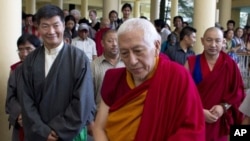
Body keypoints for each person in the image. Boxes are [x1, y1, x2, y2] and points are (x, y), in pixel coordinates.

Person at [93, 18, 205, 141]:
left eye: (138, 51)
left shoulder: (177, 77)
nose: (132, 61)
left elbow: (192, 131)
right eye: (124, 53)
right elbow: (99, 128)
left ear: (156, 46)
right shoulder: (114, 79)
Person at [20, 5, 96, 141]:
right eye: (45, 26)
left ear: (63, 26)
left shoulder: (79, 58)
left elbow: (83, 100)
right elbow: (26, 99)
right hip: (38, 134)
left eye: (56, 25)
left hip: (68, 134)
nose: (51, 31)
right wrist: (43, 131)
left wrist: (57, 129)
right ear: (38, 28)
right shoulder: (30, 60)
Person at [185, 27, 245, 141]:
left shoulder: (230, 64)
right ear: (202, 41)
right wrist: (199, 111)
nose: (213, 45)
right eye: (209, 40)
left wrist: (223, 107)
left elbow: (238, 92)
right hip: (195, 118)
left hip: (220, 122)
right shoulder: (191, 63)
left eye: (217, 40)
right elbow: (181, 94)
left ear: (223, 42)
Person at [5, 33, 41, 141]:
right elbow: (10, 98)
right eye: (20, 49)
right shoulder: (16, 71)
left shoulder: (47, 70)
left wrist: (31, 117)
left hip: (41, 123)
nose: (24, 53)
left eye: (28, 49)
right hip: (20, 122)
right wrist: (20, 114)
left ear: (38, 50)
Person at [91, 29, 124, 108]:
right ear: (102, 43)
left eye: (117, 40)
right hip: (101, 115)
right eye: (110, 41)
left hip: (124, 114)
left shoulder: (127, 62)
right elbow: (89, 95)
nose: (115, 44)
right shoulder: (94, 65)